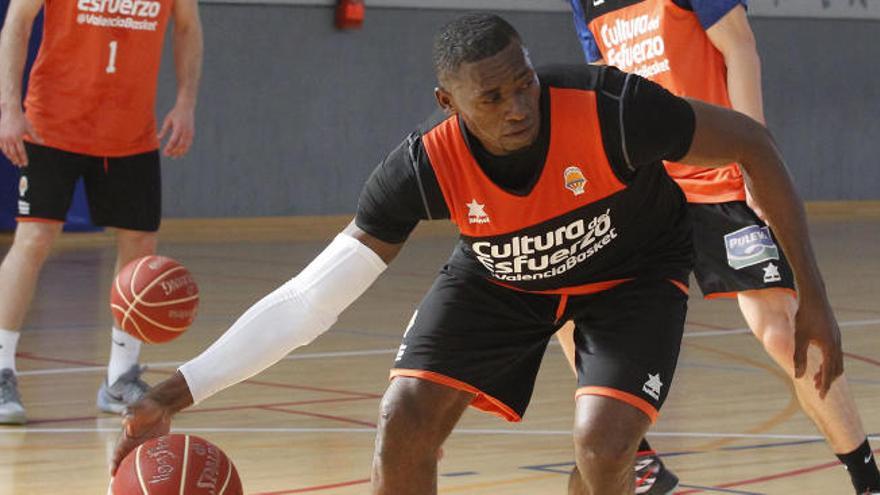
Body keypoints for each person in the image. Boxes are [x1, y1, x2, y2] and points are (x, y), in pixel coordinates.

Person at [111, 13, 844, 495]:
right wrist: (174, 391)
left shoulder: (612, 108)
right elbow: (312, 299)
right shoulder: (422, 167)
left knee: (605, 444)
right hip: (507, 273)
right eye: (491, 99)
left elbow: (753, 143)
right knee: (404, 416)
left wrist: (812, 295)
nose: (518, 107)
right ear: (448, 103)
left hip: (632, 272)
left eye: (522, 83)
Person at [565, 1, 880, 494]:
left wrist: (755, 153)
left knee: (780, 331)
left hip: (716, 175)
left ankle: (867, 478)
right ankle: (641, 462)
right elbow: (604, 77)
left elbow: (740, 45)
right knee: (563, 295)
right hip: (644, 184)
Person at [0, 0, 203, 424]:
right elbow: (17, 21)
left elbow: (187, 27)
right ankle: (2, 369)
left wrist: (186, 101)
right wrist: (9, 108)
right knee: (34, 239)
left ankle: (120, 376)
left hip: (130, 131)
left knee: (140, 245)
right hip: (51, 125)